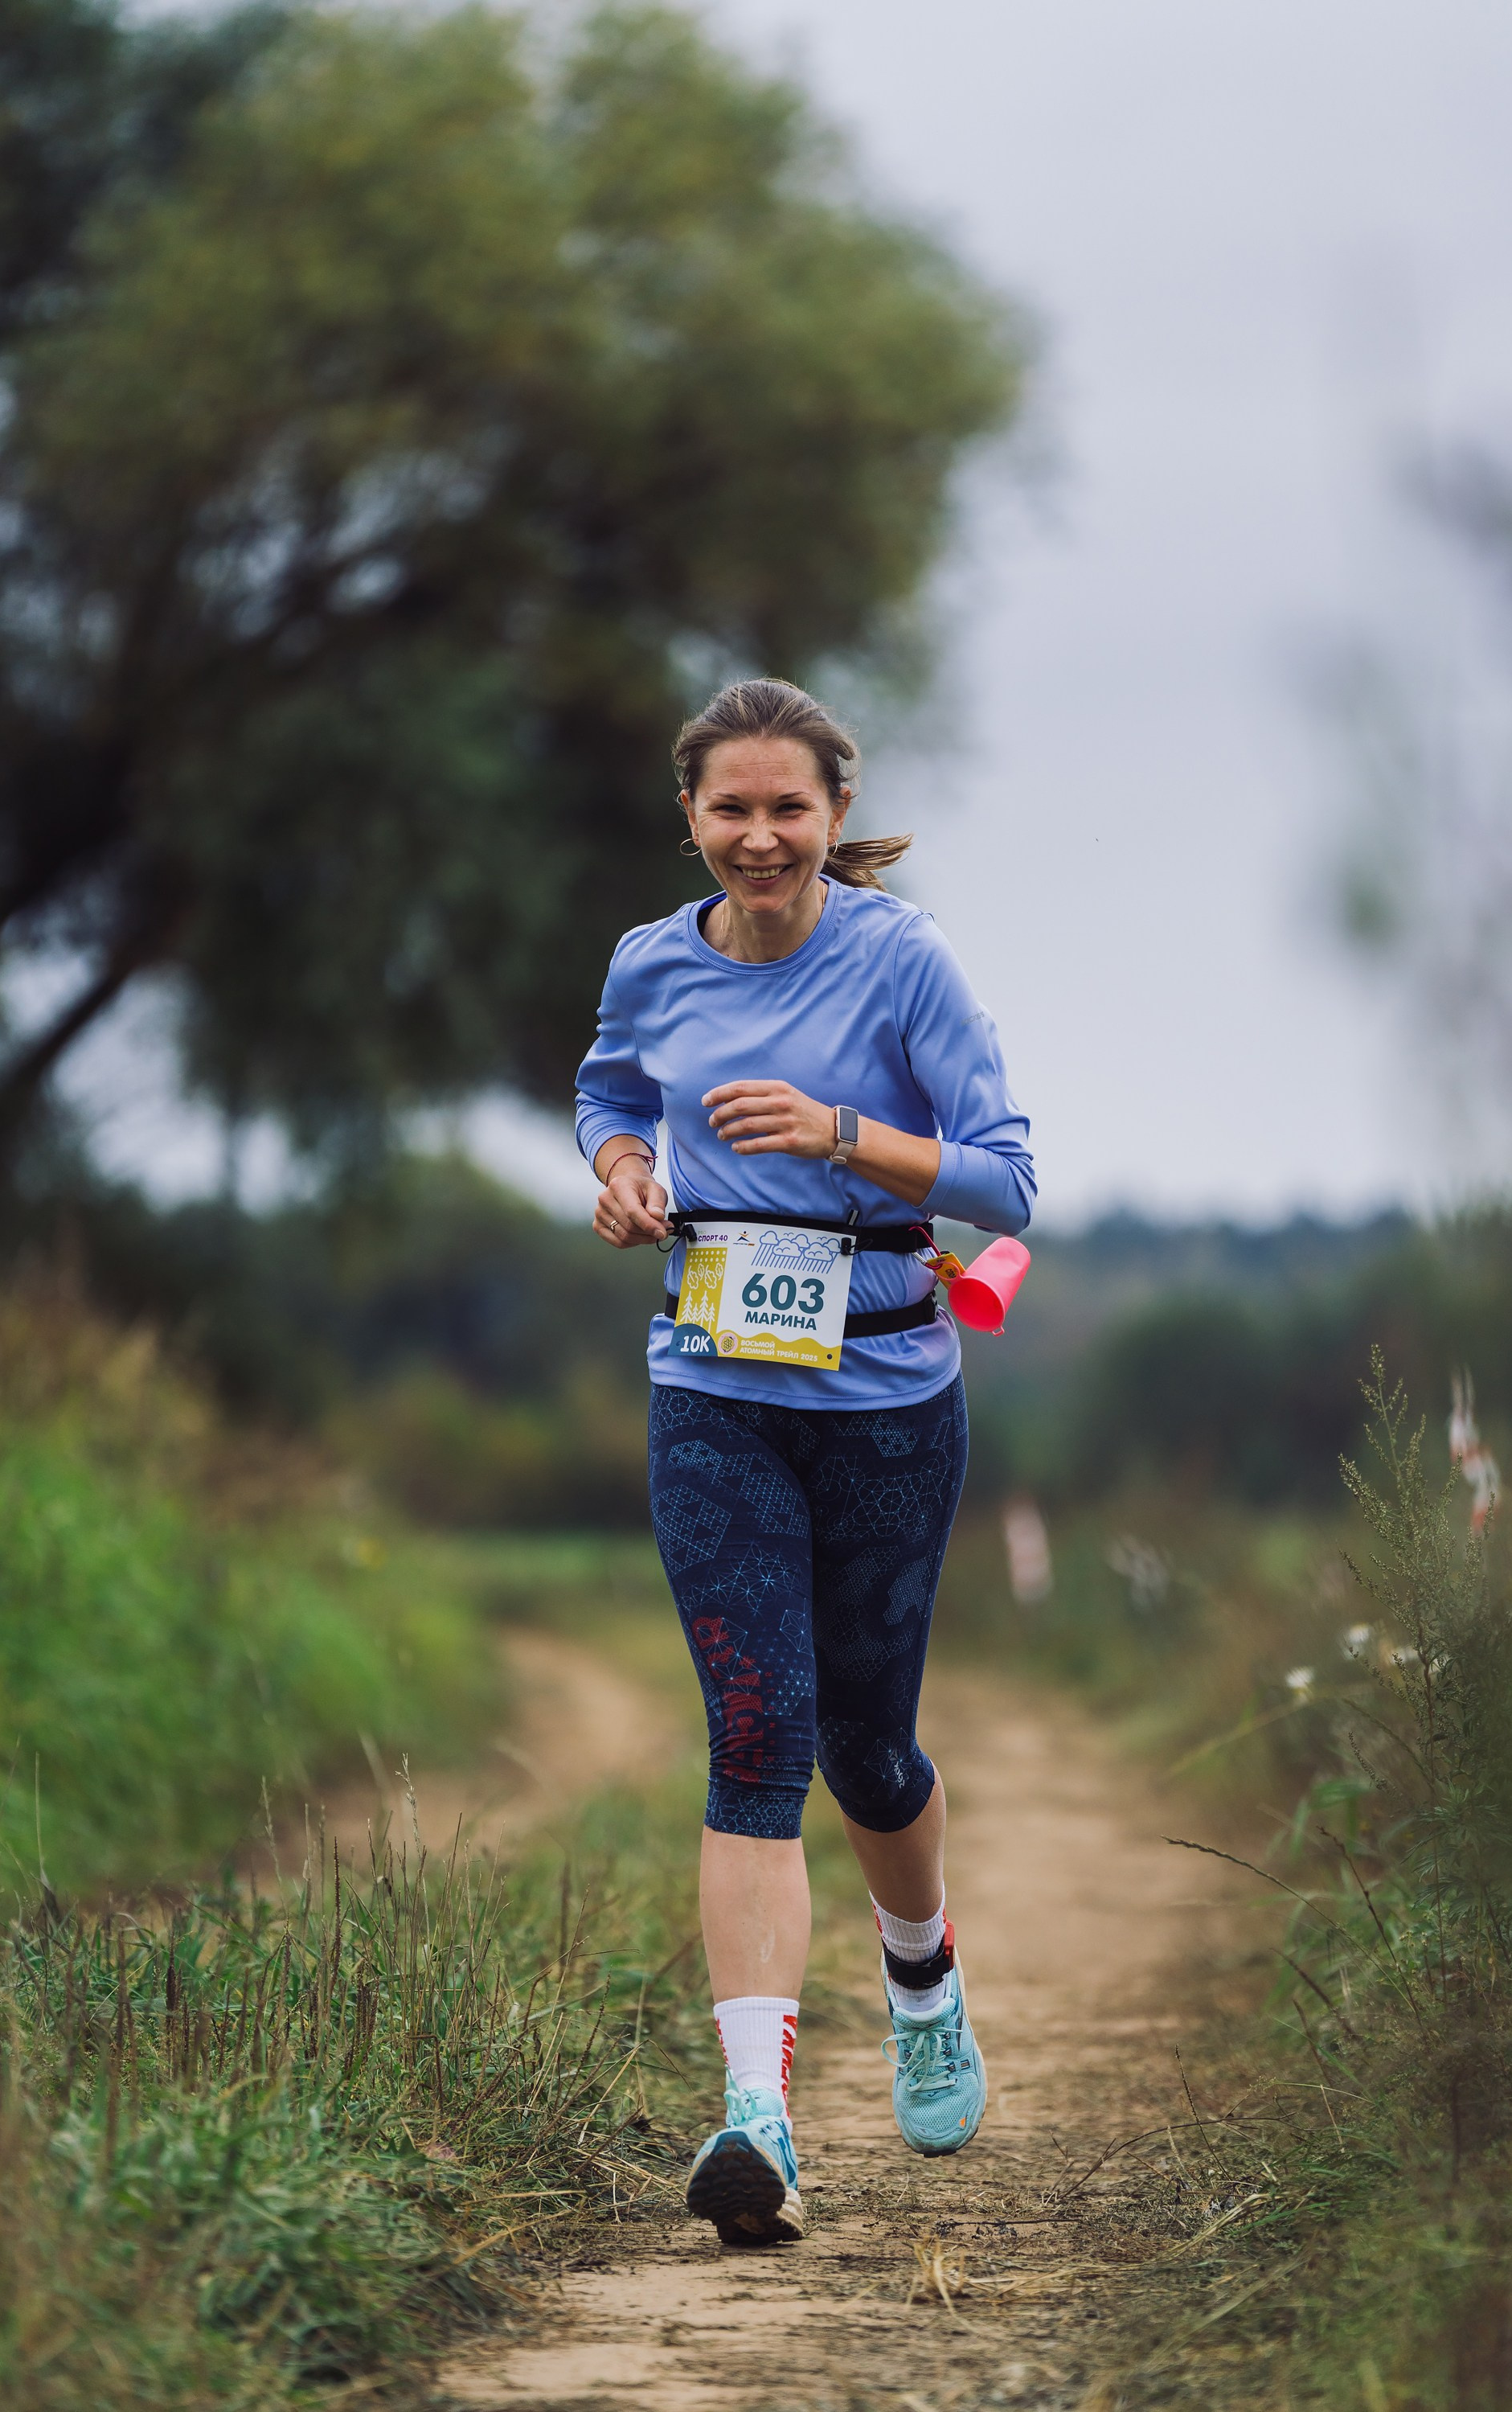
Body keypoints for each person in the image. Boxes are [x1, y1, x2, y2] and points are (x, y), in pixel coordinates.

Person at [576, 678, 1035, 2246]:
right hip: (711, 1384)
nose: (758, 834)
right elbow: (608, 1095)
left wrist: (841, 1132)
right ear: (690, 817)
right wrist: (624, 1169)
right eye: (730, 808)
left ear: (835, 817)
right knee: (756, 1734)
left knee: (867, 1747)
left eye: (788, 808)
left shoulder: (902, 962)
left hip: (892, 1391)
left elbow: (1006, 1178)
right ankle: (755, 2121)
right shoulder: (650, 961)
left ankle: (921, 1981)